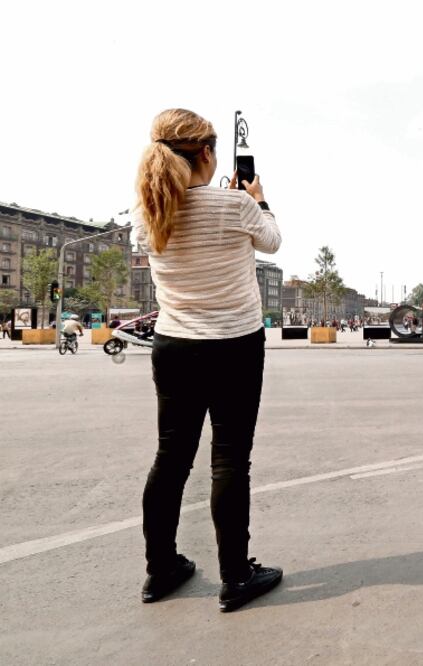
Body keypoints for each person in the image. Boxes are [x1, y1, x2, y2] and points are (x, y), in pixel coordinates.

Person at [133, 108, 282, 612]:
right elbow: (273, 239)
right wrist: (257, 198)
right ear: (207, 155)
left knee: (170, 458)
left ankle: (161, 570)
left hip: (174, 345)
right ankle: (235, 577)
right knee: (229, 459)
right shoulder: (234, 205)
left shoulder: (148, 210)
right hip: (235, 344)